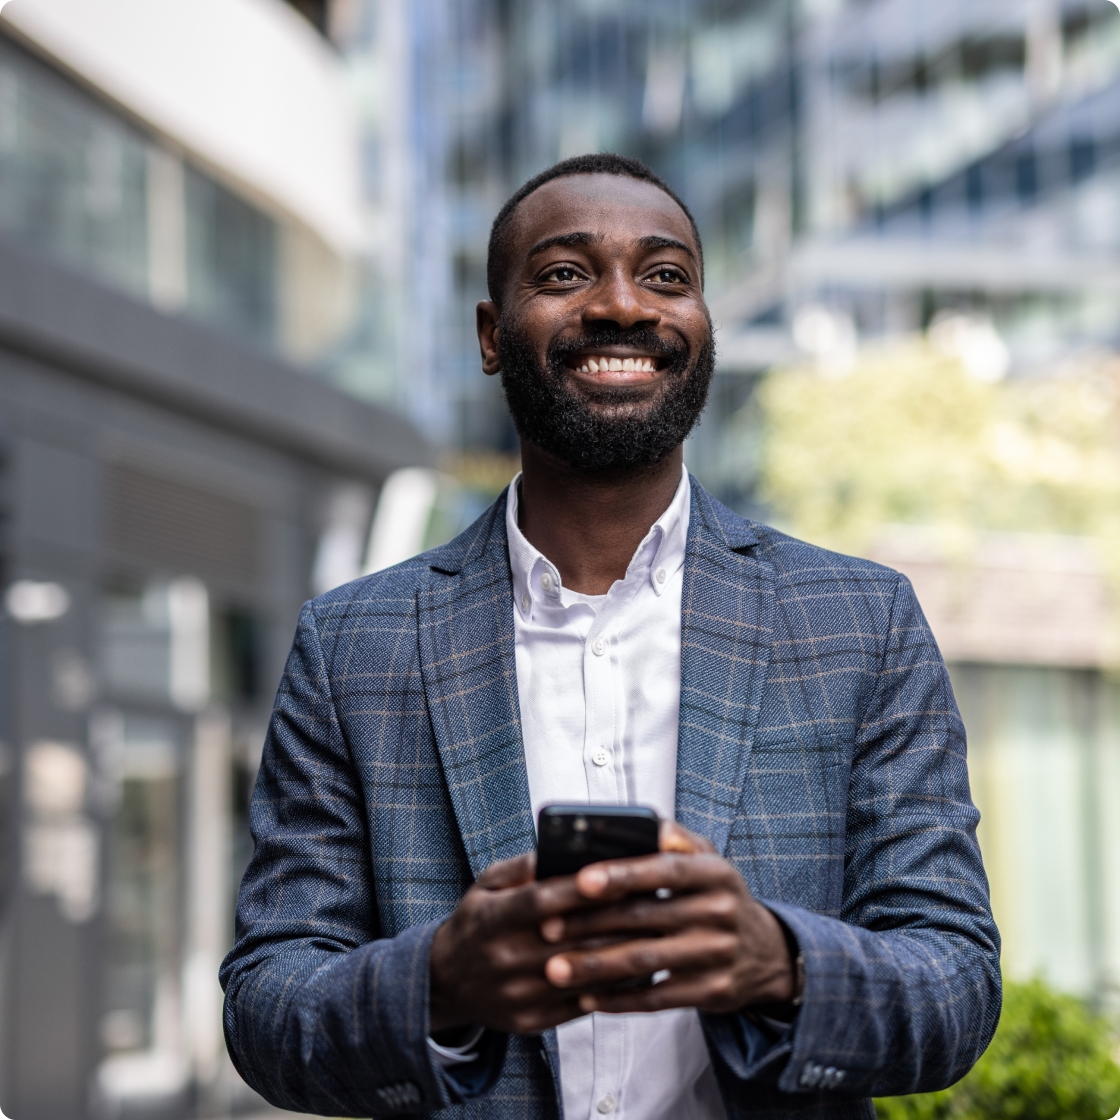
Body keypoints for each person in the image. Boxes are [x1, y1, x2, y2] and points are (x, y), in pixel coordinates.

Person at [220, 153, 1000, 1120]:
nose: (624, 305)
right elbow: (266, 1004)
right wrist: (442, 982)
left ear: (703, 327)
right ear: (492, 335)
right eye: (565, 273)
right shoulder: (352, 645)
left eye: (667, 276)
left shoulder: (860, 623)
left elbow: (957, 982)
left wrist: (779, 960)